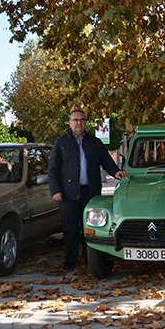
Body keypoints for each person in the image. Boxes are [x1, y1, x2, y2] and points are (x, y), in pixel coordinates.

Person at [48, 109, 127, 270]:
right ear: (69, 123)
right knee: (70, 229)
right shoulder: (60, 143)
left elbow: (106, 161)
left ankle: (89, 258)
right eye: (75, 120)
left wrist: (116, 172)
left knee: (90, 228)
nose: (79, 123)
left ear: (86, 122)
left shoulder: (95, 142)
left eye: (82, 120)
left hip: (91, 194)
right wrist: (55, 190)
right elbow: (53, 169)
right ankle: (70, 260)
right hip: (68, 194)